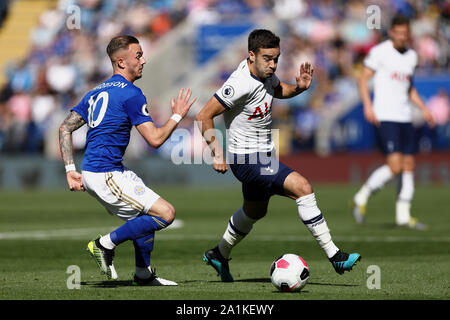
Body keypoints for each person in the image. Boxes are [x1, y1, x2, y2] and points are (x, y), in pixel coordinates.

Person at [196, 29, 361, 282]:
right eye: (267, 58)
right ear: (251, 55)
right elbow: (203, 115)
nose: (273, 65)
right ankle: (334, 254)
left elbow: (277, 89)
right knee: (302, 187)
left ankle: (219, 253)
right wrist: (216, 152)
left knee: (254, 211)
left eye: (276, 59)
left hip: (263, 155)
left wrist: (299, 88)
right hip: (247, 159)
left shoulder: (265, 74)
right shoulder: (239, 83)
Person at [58, 35, 196, 285]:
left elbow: (65, 128)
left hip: (101, 171)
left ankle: (143, 275)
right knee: (166, 214)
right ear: (121, 62)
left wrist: (70, 169)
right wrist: (176, 117)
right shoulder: (132, 94)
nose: (144, 60)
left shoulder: (96, 91)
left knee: (143, 217)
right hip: (105, 173)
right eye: (138, 55)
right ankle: (103, 244)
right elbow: (154, 139)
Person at [352, 15, 435, 230]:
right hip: (385, 115)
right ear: (391, 33)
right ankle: (361, 196)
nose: (401, 37)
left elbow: (409, 87)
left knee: (408, 165)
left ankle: (403, 217)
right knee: (395, 166)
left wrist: (424, 109)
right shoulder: (380, 52)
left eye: (404, 33)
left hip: (405, 116)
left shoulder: (412, 57)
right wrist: (368, 106)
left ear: (408, 34)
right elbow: (363, 78)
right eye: (397, 33)